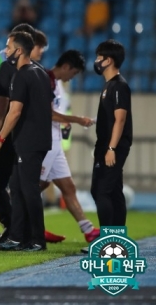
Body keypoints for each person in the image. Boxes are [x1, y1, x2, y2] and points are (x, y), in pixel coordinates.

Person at [0, 31, 53, 252]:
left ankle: (37, 239)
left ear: (18, 50)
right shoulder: (41, 72)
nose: (5, 51)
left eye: (8, 48)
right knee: (17, 187)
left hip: (29, 141)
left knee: (28, 190)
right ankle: (17, 237)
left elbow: (14, 112)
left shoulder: (21, 75)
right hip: (39, 139)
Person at [39, 50, 99, 242]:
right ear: (66, 67)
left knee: (68, 187)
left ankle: (88, 230)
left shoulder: (58, 85)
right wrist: (77, 120)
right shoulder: (45, 80)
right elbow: (48, 114)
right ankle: (17, 223)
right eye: (73, 73)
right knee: (34, 186)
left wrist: (65, 123)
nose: (72, 77)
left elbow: (57, 113)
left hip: (55, 141)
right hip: (45, 141)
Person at [91, 40, 132, 227]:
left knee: (102, 191)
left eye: (99, 57)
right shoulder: (109, 86)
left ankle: (107, 239)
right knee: (113, 191)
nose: (97, 61)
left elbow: (120, 119)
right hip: (105, 145)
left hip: (112, 146)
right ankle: (116, 236)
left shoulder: (119, 86)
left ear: (109, 60)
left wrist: (111, 148)